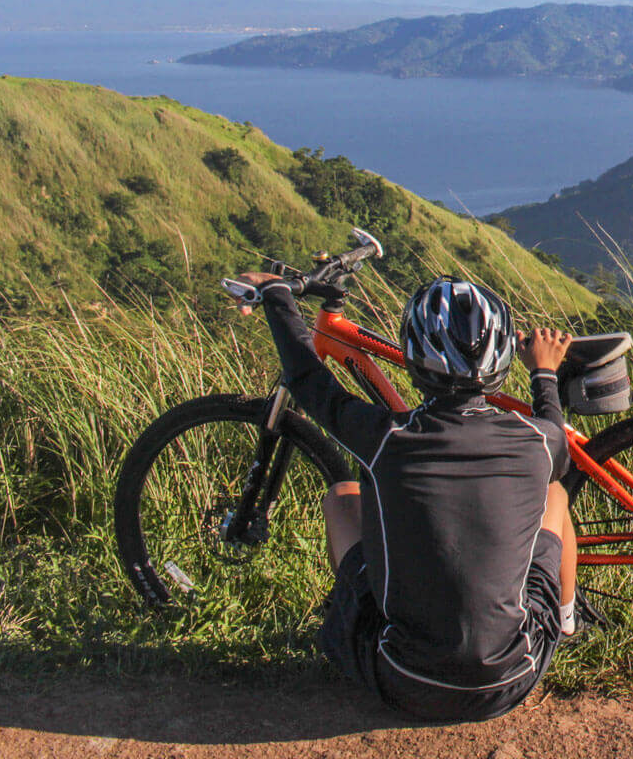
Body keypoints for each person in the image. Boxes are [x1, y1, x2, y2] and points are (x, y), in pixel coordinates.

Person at [236, 271, 580, 721]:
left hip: (403, 680)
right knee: (554, 495)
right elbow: (554, 428)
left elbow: (304, 374)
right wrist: (544, 372)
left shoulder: (383, 437)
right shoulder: (538, 441)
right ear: (501, 362)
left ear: (415, 360)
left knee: (342, 496)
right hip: (512, 678)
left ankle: (352, 617)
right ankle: (567, 620)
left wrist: (277, 293)